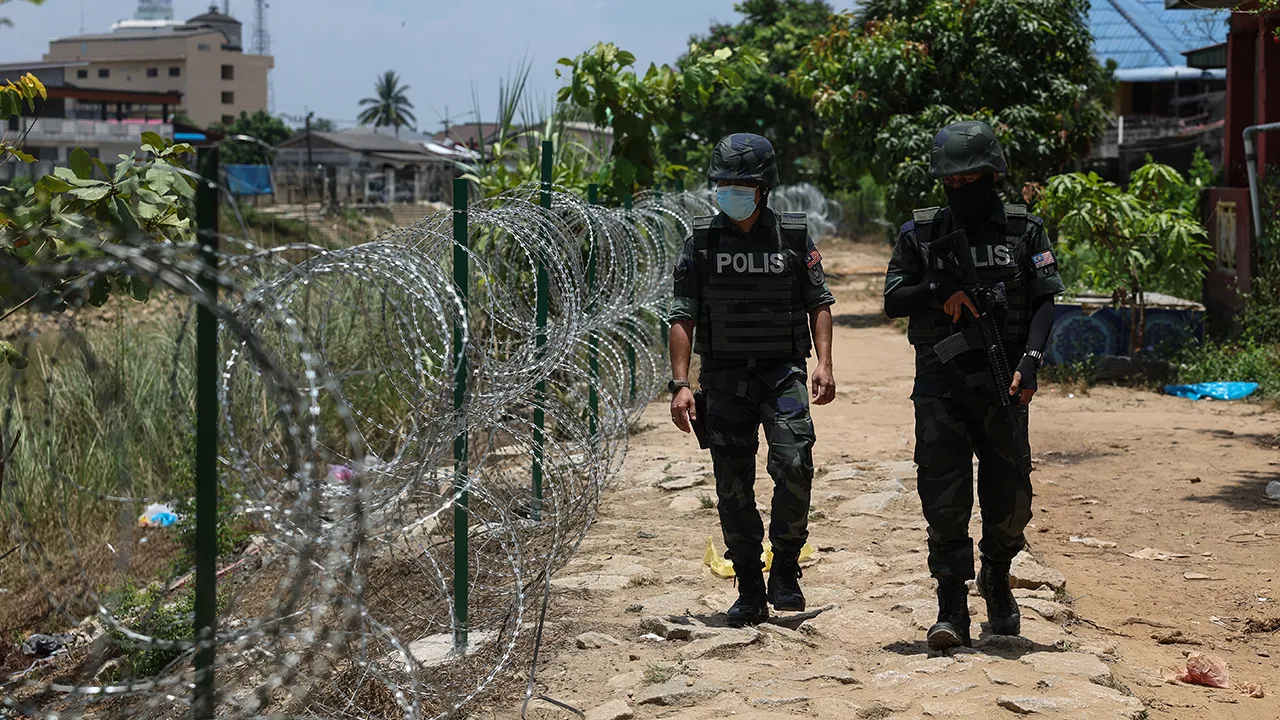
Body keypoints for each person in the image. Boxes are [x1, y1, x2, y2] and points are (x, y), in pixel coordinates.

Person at [882, 120, 1064, 650]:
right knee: (944, 496)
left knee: (1011, 498)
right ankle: (950, 604)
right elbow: (894, 298)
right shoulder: (921, 232)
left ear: (994, 176)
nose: (960, 190)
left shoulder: (1023, 230)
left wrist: (1031, 360)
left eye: (972, 180)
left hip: (1005, 381)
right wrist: (939, 290)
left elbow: (1046, 298)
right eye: (951, 182)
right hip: (941, 384)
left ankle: (998, 575)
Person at [667, 132, 837, 627]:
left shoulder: (792, 235)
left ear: (763, 187)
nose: (728, 191)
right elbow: (683, 314)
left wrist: (824, 363)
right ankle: (748, 585)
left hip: (782, 372)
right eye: (721, 183)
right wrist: (681, 383)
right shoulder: (700, 241)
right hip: (723, 379)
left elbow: (818, 301)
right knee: (732, 487)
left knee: (794, 465)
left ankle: (785, 565)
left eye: (739, 183)